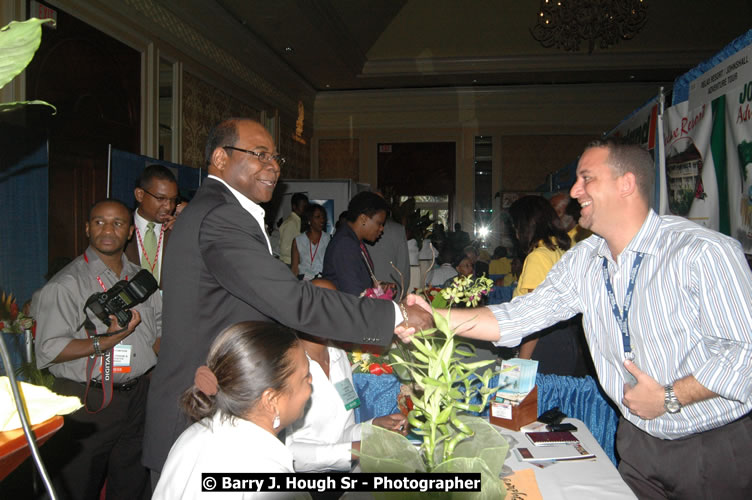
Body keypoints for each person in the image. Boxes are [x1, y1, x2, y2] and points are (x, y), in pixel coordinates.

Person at [401, 139, 752, 499]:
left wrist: (669, 397)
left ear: (626, 184)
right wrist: (436, 317)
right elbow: (521, 315)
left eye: (586, 178)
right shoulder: (584, 260)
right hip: (635, 443)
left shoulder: (703, 252)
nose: (574, 191)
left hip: (711, 447)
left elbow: (746, 356)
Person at [144, 118, 431, 481]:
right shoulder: (220, 216)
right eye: (259, 154)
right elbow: (293, 300)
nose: (273, 165)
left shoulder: (223, 211)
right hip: (203, 409)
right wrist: (395, 316)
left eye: (275, 157)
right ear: (220, 157)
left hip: (223, 407)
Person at [35, 199, 161, 500]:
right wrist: (104, 341)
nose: (108, 229)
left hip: (137, 396)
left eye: (117, 223)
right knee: (78, 485)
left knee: (131, 484)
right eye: (100, 222)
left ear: (130, 232)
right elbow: (49, 350)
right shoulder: (66, 284)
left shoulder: (141, 280)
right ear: (88, 228)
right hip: (88, 398)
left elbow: (158, 332)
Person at [153, 321, 311, 500]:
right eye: (305, 377)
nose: (311, 382)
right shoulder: (268, 475)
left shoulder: (195, 433)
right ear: (271, 400)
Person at [284, 279, 407, 473]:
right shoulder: (285, 367)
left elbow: (342, 432)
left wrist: (374, 427)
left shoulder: (338, 355)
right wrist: (354, 451)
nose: (331, 312)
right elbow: (287, 453)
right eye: (321, 303)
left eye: (336, 304)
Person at [508, 195, 583, 375]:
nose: (515, 233)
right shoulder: (561, 249)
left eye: (515, 226)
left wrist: (521, 362)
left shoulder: (538, 257)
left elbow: (536, 318)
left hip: (543, 344)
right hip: (566, 339)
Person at [322, 191, 392, 296]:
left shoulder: (354, 240)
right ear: (363, 219)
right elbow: (354, 294)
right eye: (379, 223)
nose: (381, 229)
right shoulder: (345, 244)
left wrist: (380, 290)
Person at [125, 164, 181, 284]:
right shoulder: (121, 228)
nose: (169, 206)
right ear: (140, 194)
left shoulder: (177, 231)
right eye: (161, 198)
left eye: (173, 200)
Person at [367, 210, 410, 295]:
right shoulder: (398, 230)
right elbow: (403, 272)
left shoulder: (359, 231)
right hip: (390, 295)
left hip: (367, 298)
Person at [291, 203, 330, 280]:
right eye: (317, 217)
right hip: (303, 281)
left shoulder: (329, 239)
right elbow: (294, 269)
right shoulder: (298, 240)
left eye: (323, 217)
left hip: (322, 281)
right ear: (309, 220)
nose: (322, 220)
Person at [277, 192, 309, 266]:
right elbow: (284, 249)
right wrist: (301, 252)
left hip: (294, 263)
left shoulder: (298, 221)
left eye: (306, 206)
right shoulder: (291, 223)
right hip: (288, 263)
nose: (305, 209)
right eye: (303, 206)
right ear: (294, 206)